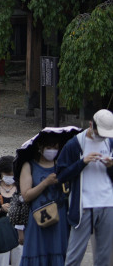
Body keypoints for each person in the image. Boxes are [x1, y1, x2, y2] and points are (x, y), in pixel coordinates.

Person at [55, 109, 113, 266]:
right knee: (74, 257)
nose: (102, 137)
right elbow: (60, 175)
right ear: (90, 125)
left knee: (105, 257)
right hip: (83, 206)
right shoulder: (75, 144)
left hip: (108, 203)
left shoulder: (110, 142)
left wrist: (110, 166)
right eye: (99, 133)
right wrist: (82, 162)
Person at [19, 130, 71, 266]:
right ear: (40, 147)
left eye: (56, 147)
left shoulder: (62, 165)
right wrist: (46, 182)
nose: (53, 151)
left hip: (59, 219)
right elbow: (26, 195)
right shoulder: (29, 166)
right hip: (38, 219)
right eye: (49, 147)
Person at [0, 155, 23, 266]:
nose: (9, 177)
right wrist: (0, 208)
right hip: (1, 235)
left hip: (19, 234)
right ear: (0, 173)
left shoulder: (22, 188)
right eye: (6, 174)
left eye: (12, 174)